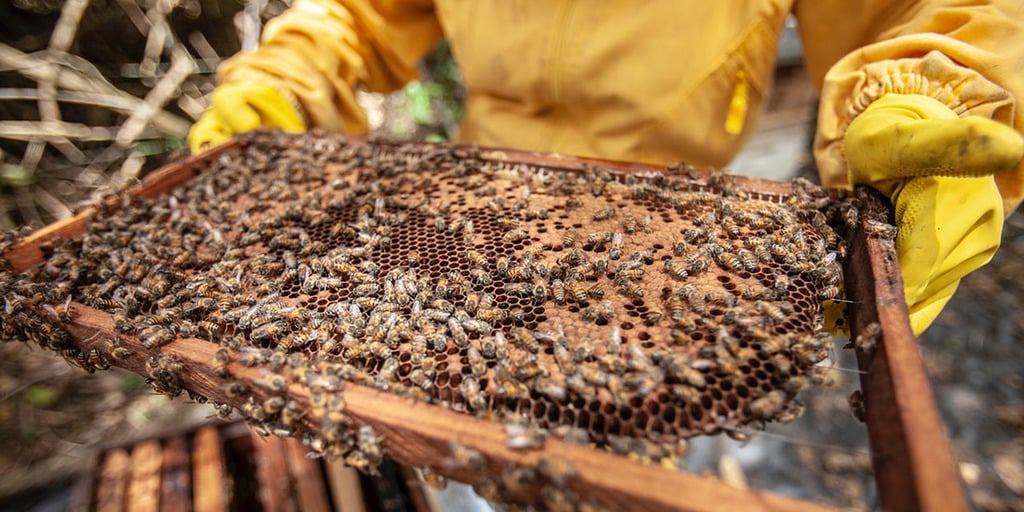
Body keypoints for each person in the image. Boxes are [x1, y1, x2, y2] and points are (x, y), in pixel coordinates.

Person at [188, 1, 1024, 335]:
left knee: (651, 402)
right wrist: (287, 80)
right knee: (447, 383)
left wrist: (934, 90)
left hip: (671, 232)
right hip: (476, 210)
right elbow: (361, 14)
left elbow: (927, 7)